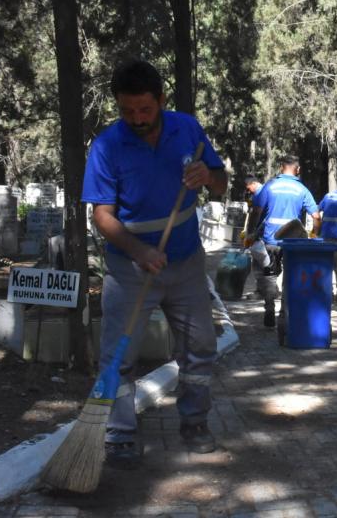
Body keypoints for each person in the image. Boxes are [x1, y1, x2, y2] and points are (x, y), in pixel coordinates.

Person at [82, 59, 228, 468]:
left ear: (161, 100)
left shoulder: (187, 129)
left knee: (200, 348)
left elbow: (221, 180)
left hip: (184, 264)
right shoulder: (107, 146)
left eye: (145, 110)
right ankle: (120, 434)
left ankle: (195, 422)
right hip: (130, 268)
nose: (137, 119)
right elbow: (102, 215)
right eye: (127, 111)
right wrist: (138, 251)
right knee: (118, 355)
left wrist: (208, 177)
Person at [245, 154, 320, 328]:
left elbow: (256, 211)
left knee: (269, 275)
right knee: (289, 277)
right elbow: (316, 216)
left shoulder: (270, 186)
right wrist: (314, 234)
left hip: (270, 240)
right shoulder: (301, 189)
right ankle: (283, 315)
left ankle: (269, 308)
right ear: (298, 169)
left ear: (281, 168)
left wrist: (250, 233)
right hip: (292, 244)